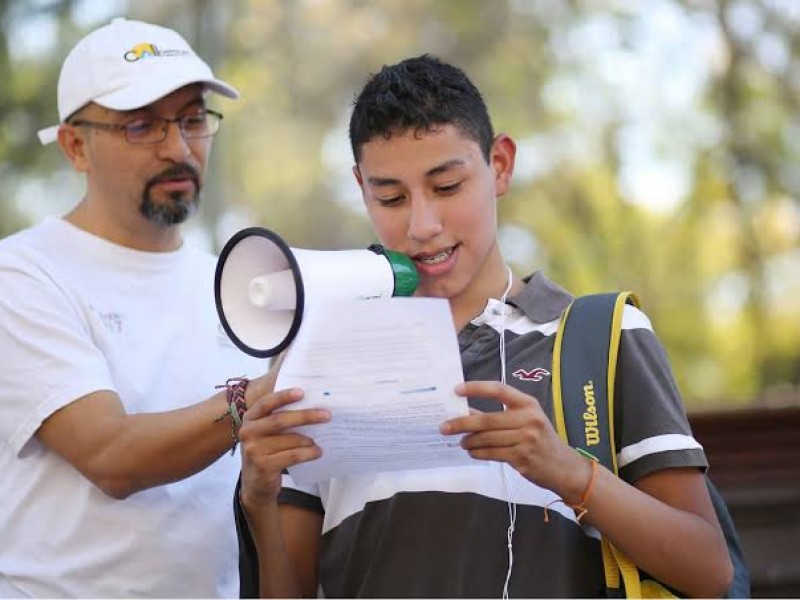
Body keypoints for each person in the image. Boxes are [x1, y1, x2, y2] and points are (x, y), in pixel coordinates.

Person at [233, 54, 734, 598]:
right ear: (361, 187)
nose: (423, 226)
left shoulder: (604, 336)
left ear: (500, 164)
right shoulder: (317, 355)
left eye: (446, 186)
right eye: (391, 197)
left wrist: (570, 473)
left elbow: (709, 573)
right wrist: (258, 503)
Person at [0, 17, 271, 598]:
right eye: (142, 125)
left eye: (193, 118)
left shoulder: (229, 281)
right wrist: (260, 399)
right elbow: (112, 455)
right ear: (76, 145)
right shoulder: (22, 274)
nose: (178, 148)